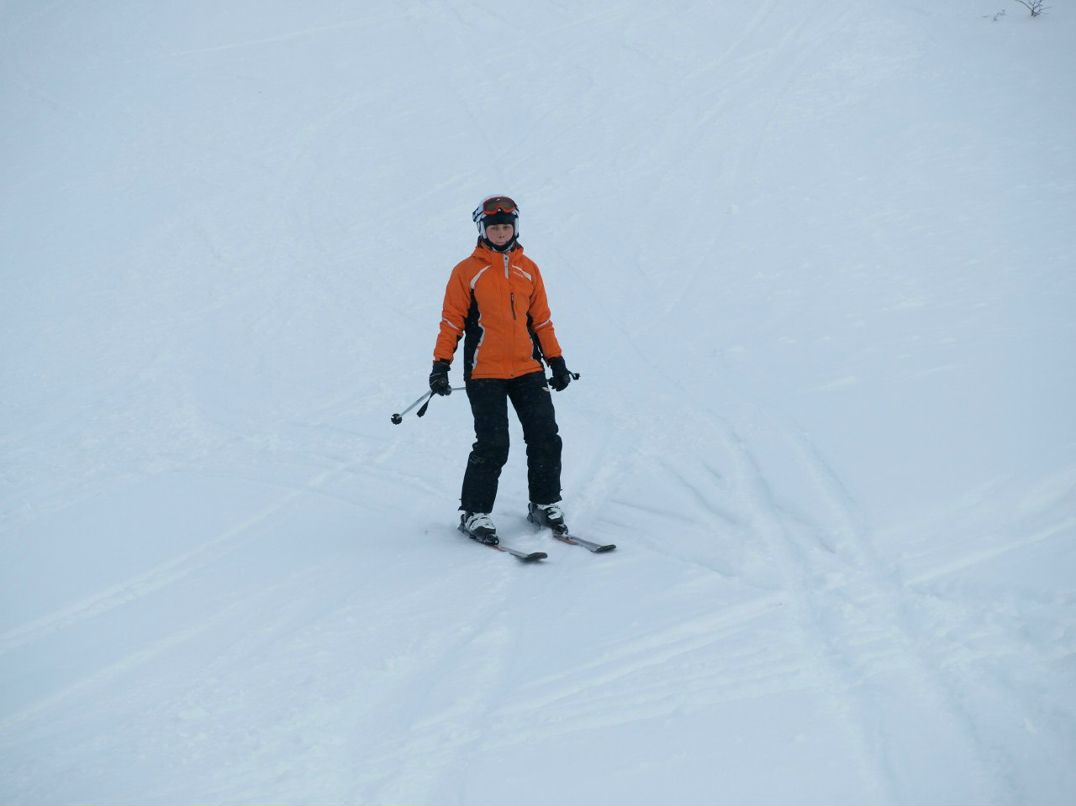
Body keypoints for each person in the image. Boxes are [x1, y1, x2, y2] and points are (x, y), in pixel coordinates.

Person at [429, 195, 575, 545]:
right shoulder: (467, 271)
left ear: (515, 227)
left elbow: (541, 320)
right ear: (482, 229)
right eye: (493, 227)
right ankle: (474, 513)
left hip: (527, 368)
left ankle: (544, 504)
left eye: (505, 226)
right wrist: (440, 365)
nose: (500, 232)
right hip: (485, 373)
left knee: (545, 436)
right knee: (494, 444)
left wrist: (556, 361)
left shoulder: (530, 269)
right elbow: (451, 322)